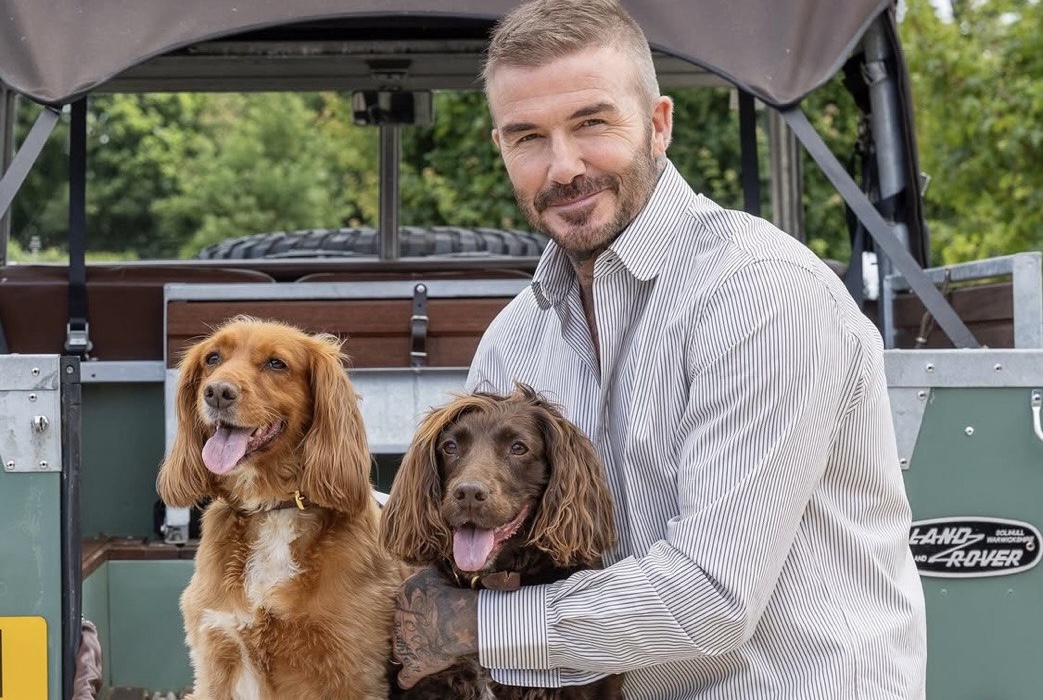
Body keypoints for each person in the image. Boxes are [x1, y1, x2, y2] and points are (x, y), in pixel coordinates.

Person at [390, 0, 928, 697]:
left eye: (591, 123)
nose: (563, 167)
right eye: (528, 137)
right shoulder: (515, 338)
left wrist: (468, 625)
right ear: (502, 149)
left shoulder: (760, 297)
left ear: (658, 123)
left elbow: (709, 597)